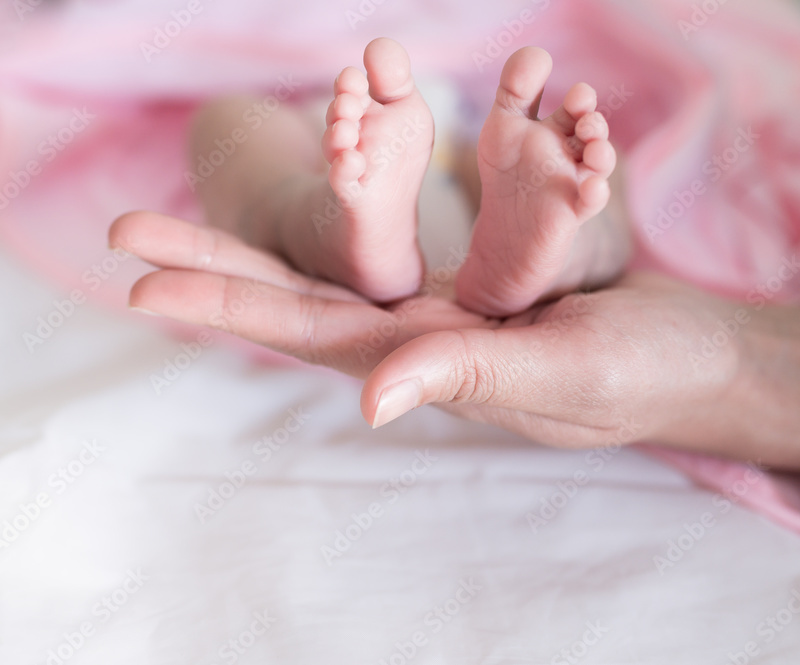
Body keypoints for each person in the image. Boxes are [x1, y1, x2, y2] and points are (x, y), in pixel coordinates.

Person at [109, 39, 800, 469]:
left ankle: (343, 228)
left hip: (397, 125)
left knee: (230, 127)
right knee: (231, 117)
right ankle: (557, 250)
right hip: (452, 117)